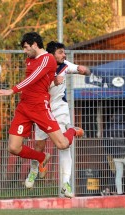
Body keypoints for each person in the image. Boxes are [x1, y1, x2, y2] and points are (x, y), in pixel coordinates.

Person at [0, 32, 84, 180]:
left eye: (26, 47)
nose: (24, 51)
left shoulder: (47, 59)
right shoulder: (29, 59)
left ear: (35, 45)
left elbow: (34, 77)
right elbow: (35, 78)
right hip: (24, 107)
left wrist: (13, 90)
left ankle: (72, 131)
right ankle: (42, 157)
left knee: (62, 144)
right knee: (13, 147)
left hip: (40, 106)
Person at [24, 41, 91, 198]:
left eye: (64, 52)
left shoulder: (65, 65)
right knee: (39, 146)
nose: (64, 55)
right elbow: (34, 85)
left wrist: (84, 70)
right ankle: (34, 170)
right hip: (43, 109)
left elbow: (83, 70)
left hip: (60, 110)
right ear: (51, 54)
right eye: (61, 52)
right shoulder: (40, 66)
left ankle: (66, 183)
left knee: (63, 146)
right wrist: (54, 80)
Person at [103, 109, 125, 195]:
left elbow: (106, 141)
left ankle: (119, 193)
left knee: (119, 174)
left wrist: (111, 152)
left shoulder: (109, 127)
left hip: (116, 155)